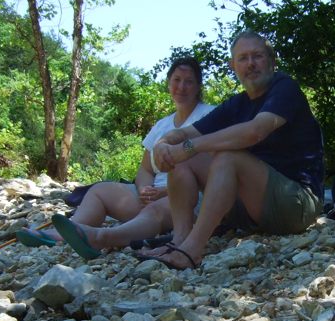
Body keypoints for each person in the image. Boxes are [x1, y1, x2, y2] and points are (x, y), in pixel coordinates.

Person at [138, 30, 325, 270]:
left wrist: (190, 147)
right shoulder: (237, 104)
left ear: (271, 61)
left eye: (257, 56)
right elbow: (185, 133)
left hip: (297, 205)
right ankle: (179, 240)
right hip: (251, 210)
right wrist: (163, 144)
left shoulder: (284, 88)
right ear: (233, 66)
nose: (250, 64)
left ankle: (191, 251)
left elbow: (255, 131)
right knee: (184, 161)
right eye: (243, 58)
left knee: (227, 157)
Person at [16, 57, 214, 258]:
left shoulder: (209, 116)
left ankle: (102, 237)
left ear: (198, 86)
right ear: (169, 83)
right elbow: (146, 169)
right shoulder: (162, 125)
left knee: (155, 209)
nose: (181, 87)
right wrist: (144, 190)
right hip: (153, 195)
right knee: (99, 191)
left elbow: (209, 170)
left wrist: (165, 192)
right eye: (177, 80)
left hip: (188, 199)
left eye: (189, 81)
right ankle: (66, 232)